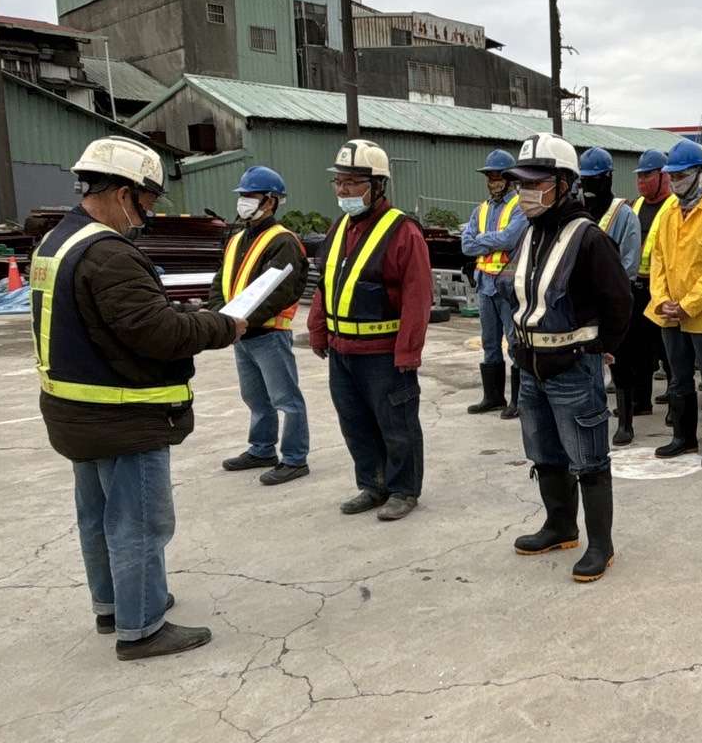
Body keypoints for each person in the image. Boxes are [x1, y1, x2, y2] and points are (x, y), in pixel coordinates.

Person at [35, 138, 244, 659]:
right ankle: (143, 625)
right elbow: (156, 334)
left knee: (99, 516)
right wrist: (222, 325)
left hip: (77, 411)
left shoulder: (57, 242)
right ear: (124, 192)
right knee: (139, 521)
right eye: (147, 202)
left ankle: (114, 605)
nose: (147, 216)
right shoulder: (107, 253)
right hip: (123, 412)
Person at [497, 133, 632, 583]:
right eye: (520, 182)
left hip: (572, 368)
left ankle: (601, 544)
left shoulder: (588, 237)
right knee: (545, 453)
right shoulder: (530, 233)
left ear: (564, 184)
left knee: (588, 458)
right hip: (530, 367)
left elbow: (619, 301)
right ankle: (559, 526)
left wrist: (597, 348)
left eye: (535, 182)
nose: (523, 191)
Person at [308, 139, 432, 521]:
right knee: (355, 423)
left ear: (378, 186)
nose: (343, 191)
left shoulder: (403, 231)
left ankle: (403, 489)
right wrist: (318, 329)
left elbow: (417, 295)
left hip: (383, 353)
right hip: (343, 351)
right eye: (339, 183)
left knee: (397, 425)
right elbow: (327, 281)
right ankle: (372, 484)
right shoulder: (339, 227)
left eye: (352, 183)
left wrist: (408, 352)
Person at [208, 165, 311, 485]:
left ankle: (295, 458)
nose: (244, 202)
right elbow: (221, 280)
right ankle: (262, 448)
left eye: (250, 196)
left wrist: (241, 321)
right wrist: (218, 315)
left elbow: (280, 290)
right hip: (242, 333)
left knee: (286, 399)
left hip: (268, 333)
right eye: (243, 196)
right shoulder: (237, 238)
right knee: (255, 398)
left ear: (271, 202)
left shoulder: (283, 241)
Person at [647, 139, 702, 467]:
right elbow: (658, 259)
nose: (675, 182)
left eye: (682, 175)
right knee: (678, 377)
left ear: (699, 173)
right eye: (672, 176)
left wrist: (688, 304)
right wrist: (662, 299)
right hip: (670, 312)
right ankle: (683, 438)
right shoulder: (669, 212)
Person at [578, 147, 642, 443]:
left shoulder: (624, 214)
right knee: (587, 358)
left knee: (622, 360)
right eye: (585, 179)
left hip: (615, 300)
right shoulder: (578, 211)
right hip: (584, 303)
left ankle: (625, 422)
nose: (589, 185)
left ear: (607, 178)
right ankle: (592, 414)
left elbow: (629, 261)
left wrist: (609, 290)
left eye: (595, 179)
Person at [461, 149, 529, 418]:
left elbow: (510, 239)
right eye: (490, 176)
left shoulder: (520, 207)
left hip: (508, 286)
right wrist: (492, 238)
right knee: (490, 342)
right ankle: (493, 397)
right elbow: (466, 244)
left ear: (510, 178)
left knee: (514, 342)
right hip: (485, 285)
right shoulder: (480, 209)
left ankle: (520, 400)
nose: (494, 181)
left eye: (498, 176)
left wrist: (482, 240)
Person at [629, 149, 678, 427]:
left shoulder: (674, 207)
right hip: (637, 288)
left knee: (669, 352)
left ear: (663, 176)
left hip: (663, 288)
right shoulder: (635, 206)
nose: (641, 181)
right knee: (638, 349)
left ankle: (675, 402)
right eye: (640, 176)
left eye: (647, 175)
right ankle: (641, 401)